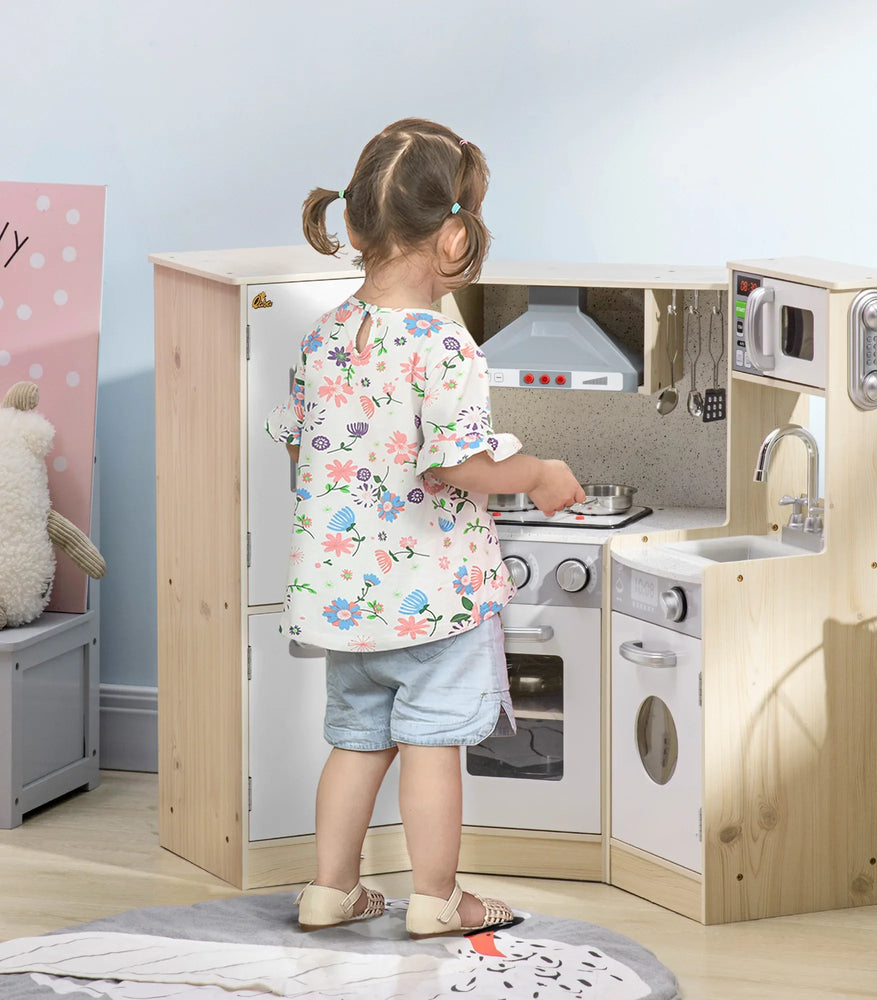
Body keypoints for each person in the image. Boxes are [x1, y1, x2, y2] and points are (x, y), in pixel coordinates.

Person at [265, 118, 584, 937]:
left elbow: (304, 451)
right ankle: (437, 900)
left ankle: (331, 889)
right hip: (435, 599)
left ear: (355, 225)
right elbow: (461, 464)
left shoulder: (324, 338)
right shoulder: (443, 346)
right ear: (454, 237)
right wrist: (538, 472)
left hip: (347, 601)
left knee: (357, 743)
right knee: (433, 746)